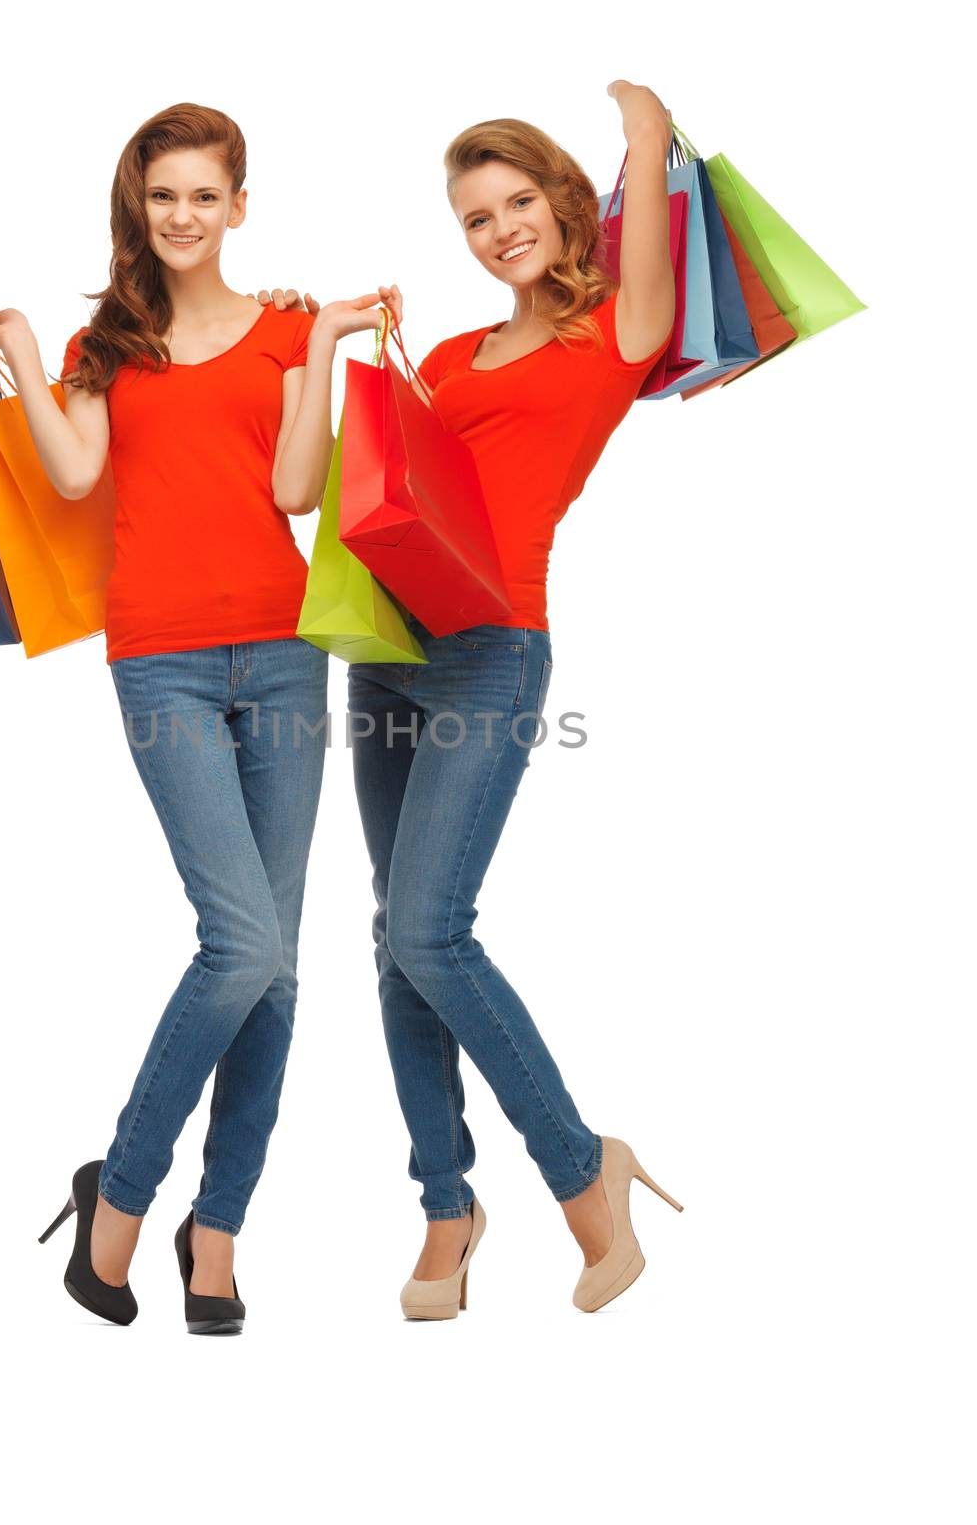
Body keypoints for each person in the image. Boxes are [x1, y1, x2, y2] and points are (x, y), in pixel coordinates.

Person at [0, 102, 399, 1331]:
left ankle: (219, 1235)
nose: (185, 216)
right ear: (138, 208)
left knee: (278, 970)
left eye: (206, 195)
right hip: (161, 664)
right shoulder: (110, 344)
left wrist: (322, 357)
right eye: (164, 197)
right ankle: (122, 1201)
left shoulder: (295, 333)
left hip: (281, 657)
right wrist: (33, 344)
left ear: (240, 206)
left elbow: (299, 492)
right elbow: (73, 473)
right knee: (240, 945)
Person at [346, 79, 685, 1319]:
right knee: (395, 940)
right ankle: (447, 1200)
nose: (499, 232)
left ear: (559, 201)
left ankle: (579, 1164)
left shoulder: (615, 333)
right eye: (475, 218)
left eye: (517, 201)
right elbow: (395, 495)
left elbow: (642, 196)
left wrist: (641, 132)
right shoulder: (445, 353)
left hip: (494, 650)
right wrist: (359, 354)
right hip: (384, 650)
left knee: (433, 928)